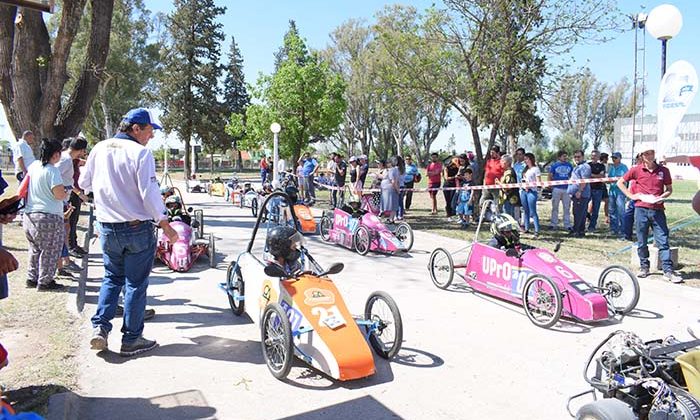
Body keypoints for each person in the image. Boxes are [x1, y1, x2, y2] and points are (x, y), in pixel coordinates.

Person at [80, 108, 178, 357]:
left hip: (108, 228)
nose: (151, 136)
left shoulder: (99, 148)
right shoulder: (141, 153)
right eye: (149, 130)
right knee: (135, 283)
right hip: (137, 228)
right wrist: (165, 224)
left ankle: (100, 328)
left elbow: (84, 184)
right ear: (135, 129)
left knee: (111, 278)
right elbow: (150, 193)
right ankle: (132, 338)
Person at [616, 149, 682, 283]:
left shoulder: (663, 171)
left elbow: (669, 190)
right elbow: (620, 182)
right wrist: (631, 196)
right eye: (646, 154)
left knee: (663, 239)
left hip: (658, 209)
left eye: (651, 153)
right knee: (642, 240)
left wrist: (661, 197)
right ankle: (644, 267)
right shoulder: (636, 170)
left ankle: (667, 270)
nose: (650, 156)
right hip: (641, 209)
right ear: (642, 156)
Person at [23, 138, 68, 291]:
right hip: (49, 216)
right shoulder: (52, 171)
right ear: (55, 154)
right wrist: (66, 192)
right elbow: (59, 195)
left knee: (35, 249)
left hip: (29, 215)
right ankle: (45, 281)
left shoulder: (34, 166)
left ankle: (32, 277)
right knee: (50, 250)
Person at [568, 150, 591, 238]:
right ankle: (579, 230)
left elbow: (583, 181)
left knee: (579, 213)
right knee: (578, 212)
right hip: (576, 193)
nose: (577, 158)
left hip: (582, 194)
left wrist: (579, 191)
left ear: (583, 157)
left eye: (579, 157)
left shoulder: (585, 167)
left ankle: (577, 230)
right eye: (575, 157)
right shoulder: (577, 167)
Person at [548, 150, 573, 231]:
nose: (565, 158)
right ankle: (553, 224)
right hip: (557, 188)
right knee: (555, 207)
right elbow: (550, 176)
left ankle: (567, 224)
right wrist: (551, 186)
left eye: (566, 156)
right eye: (563, 156)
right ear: (559, 157)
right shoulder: (554, 165)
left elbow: (572, 176)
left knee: (567, 207)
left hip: (566, 189)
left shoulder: (569, 165)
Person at [607, 152, 628, 239]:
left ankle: (623, 230)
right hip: (612, 191)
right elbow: (609, 178)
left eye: (615, 158)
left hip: (620, 192)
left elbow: (626, 178)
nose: (613, 159)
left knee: (621, 211)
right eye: (613, 158)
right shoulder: (611, 167)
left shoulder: (624, 167)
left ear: (620, 158)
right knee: (612, 210)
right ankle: (613, 229)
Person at [520, 153, 541, 238]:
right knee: (525, 210)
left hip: (532, 191)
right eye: (524, 159)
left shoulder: (536, 169)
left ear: (531, 159)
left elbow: (538, 182)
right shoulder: (525, 169)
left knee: (533, 211)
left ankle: (536, 230)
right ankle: (526, 228)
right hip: (524, 191)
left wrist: (531, 185)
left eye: (527, 159)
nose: (525, 160)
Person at [587, 150, 606, 232]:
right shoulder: (587, 165)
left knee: (596, 209)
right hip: (588, 188)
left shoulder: (602, 166)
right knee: (584, 207)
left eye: (595, 155)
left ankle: (592, 226)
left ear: (598, 157)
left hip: (598, 189)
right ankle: (586, 221)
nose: (593, 157)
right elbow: (586, 176)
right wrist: (595, 176)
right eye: (592, 155)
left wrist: (592, 175)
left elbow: (601, 176)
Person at [480, 145, 504, 211]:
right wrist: (484, 184)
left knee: (497, 204)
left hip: (496, 187)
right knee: (482, 202)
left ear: (498, 153)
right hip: (487, 186)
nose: (491, 154)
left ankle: (499, 217)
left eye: (493, 153)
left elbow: (504, 174)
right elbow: (486, 173)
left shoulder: (502, 162)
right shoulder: (489, 161)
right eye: (491, 152)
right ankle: (485, 216)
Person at [378, 157, 400, 222]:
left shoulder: (391, 170)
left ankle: (388, 217)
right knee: (393, 204)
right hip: (389, 188)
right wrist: (397, 190)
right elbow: (393, 181)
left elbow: (393, 181)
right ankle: (390, 218)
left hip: (388, 188)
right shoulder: (394, 170)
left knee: (388, 203)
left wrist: (396, 189)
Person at [512, 148, 526, 224]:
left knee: (523, 207)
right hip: (515, 188)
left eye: (520, 154)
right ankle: (517, 222)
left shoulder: (525, 165)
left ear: (524, 155)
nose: (519, 156)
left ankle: (523, 223)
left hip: (523, 188)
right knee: (516, 206)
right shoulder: (515, 165)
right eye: (517, 154)